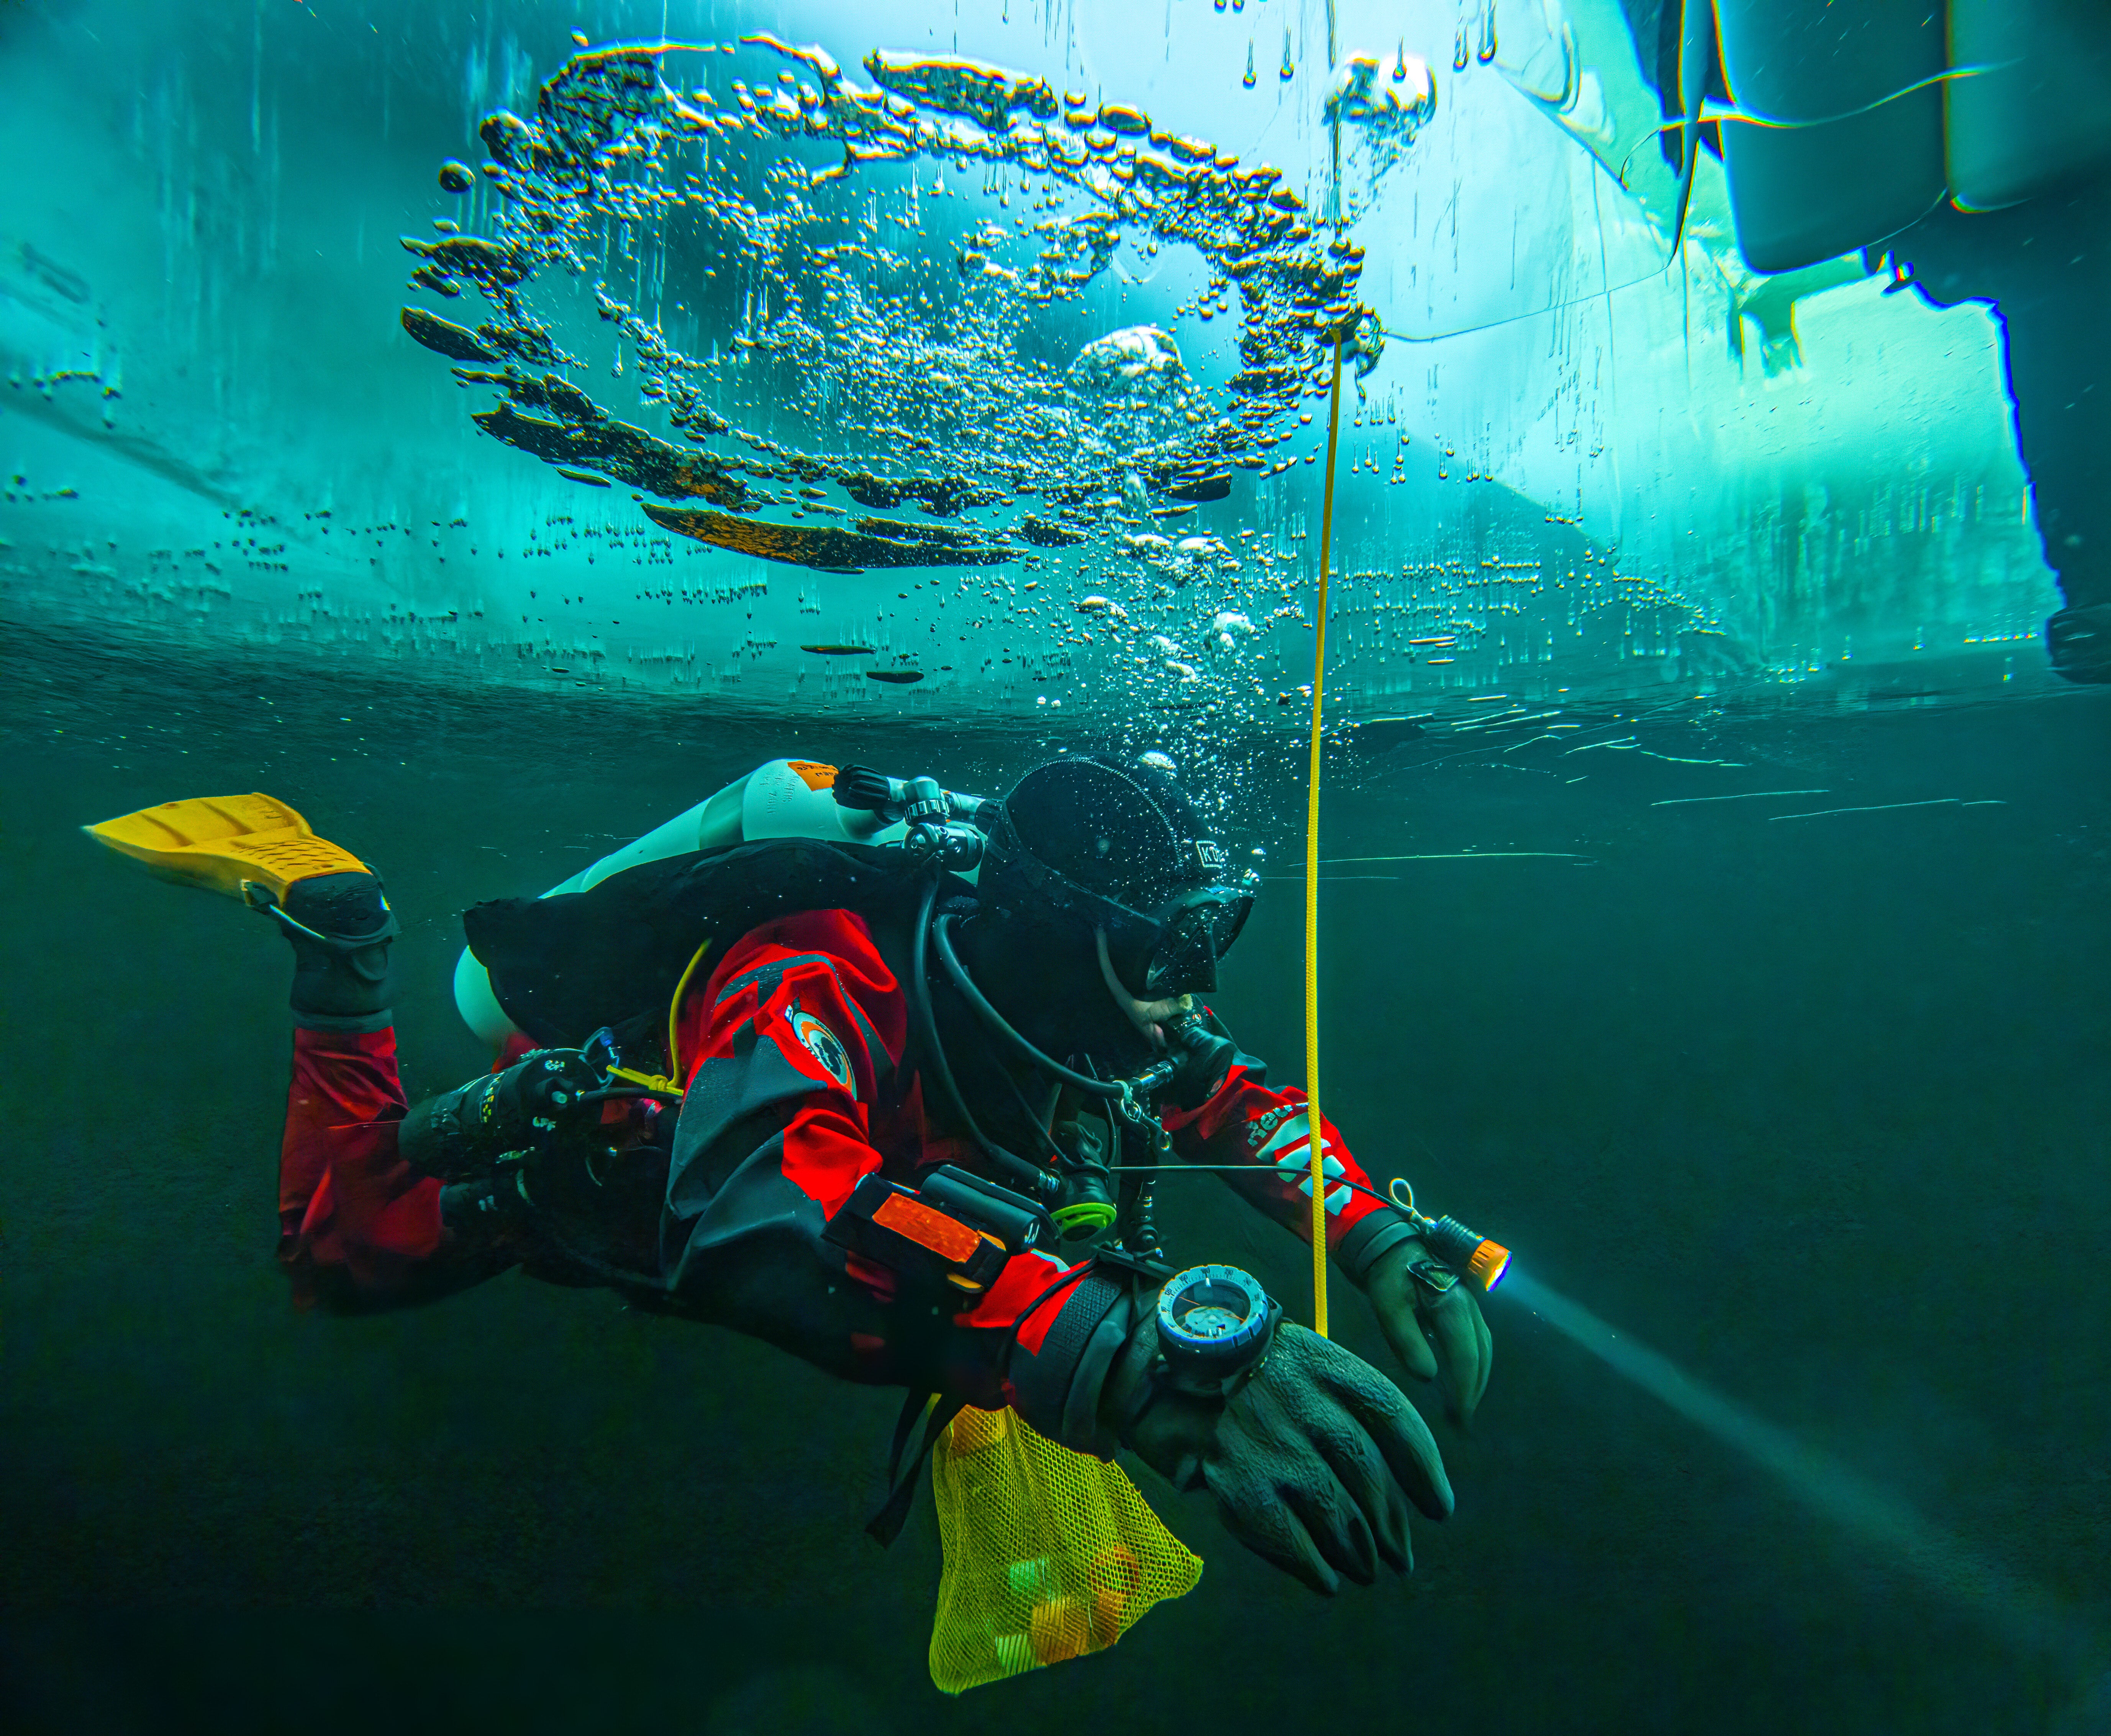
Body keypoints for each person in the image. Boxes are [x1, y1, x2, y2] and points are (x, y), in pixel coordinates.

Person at [91, 757, 1491, 1597]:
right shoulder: (811, 968)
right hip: (593, 1174)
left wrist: (1375, 1236)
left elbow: (1229, 1098)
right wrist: (1111, 1349)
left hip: (919, 1201)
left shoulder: (1087, 1008)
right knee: (338, 1258)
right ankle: (340, 940)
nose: (1190, 997)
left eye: (1209, 945)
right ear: (1069, 942)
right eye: (1166, 955)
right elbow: (770, 1192)